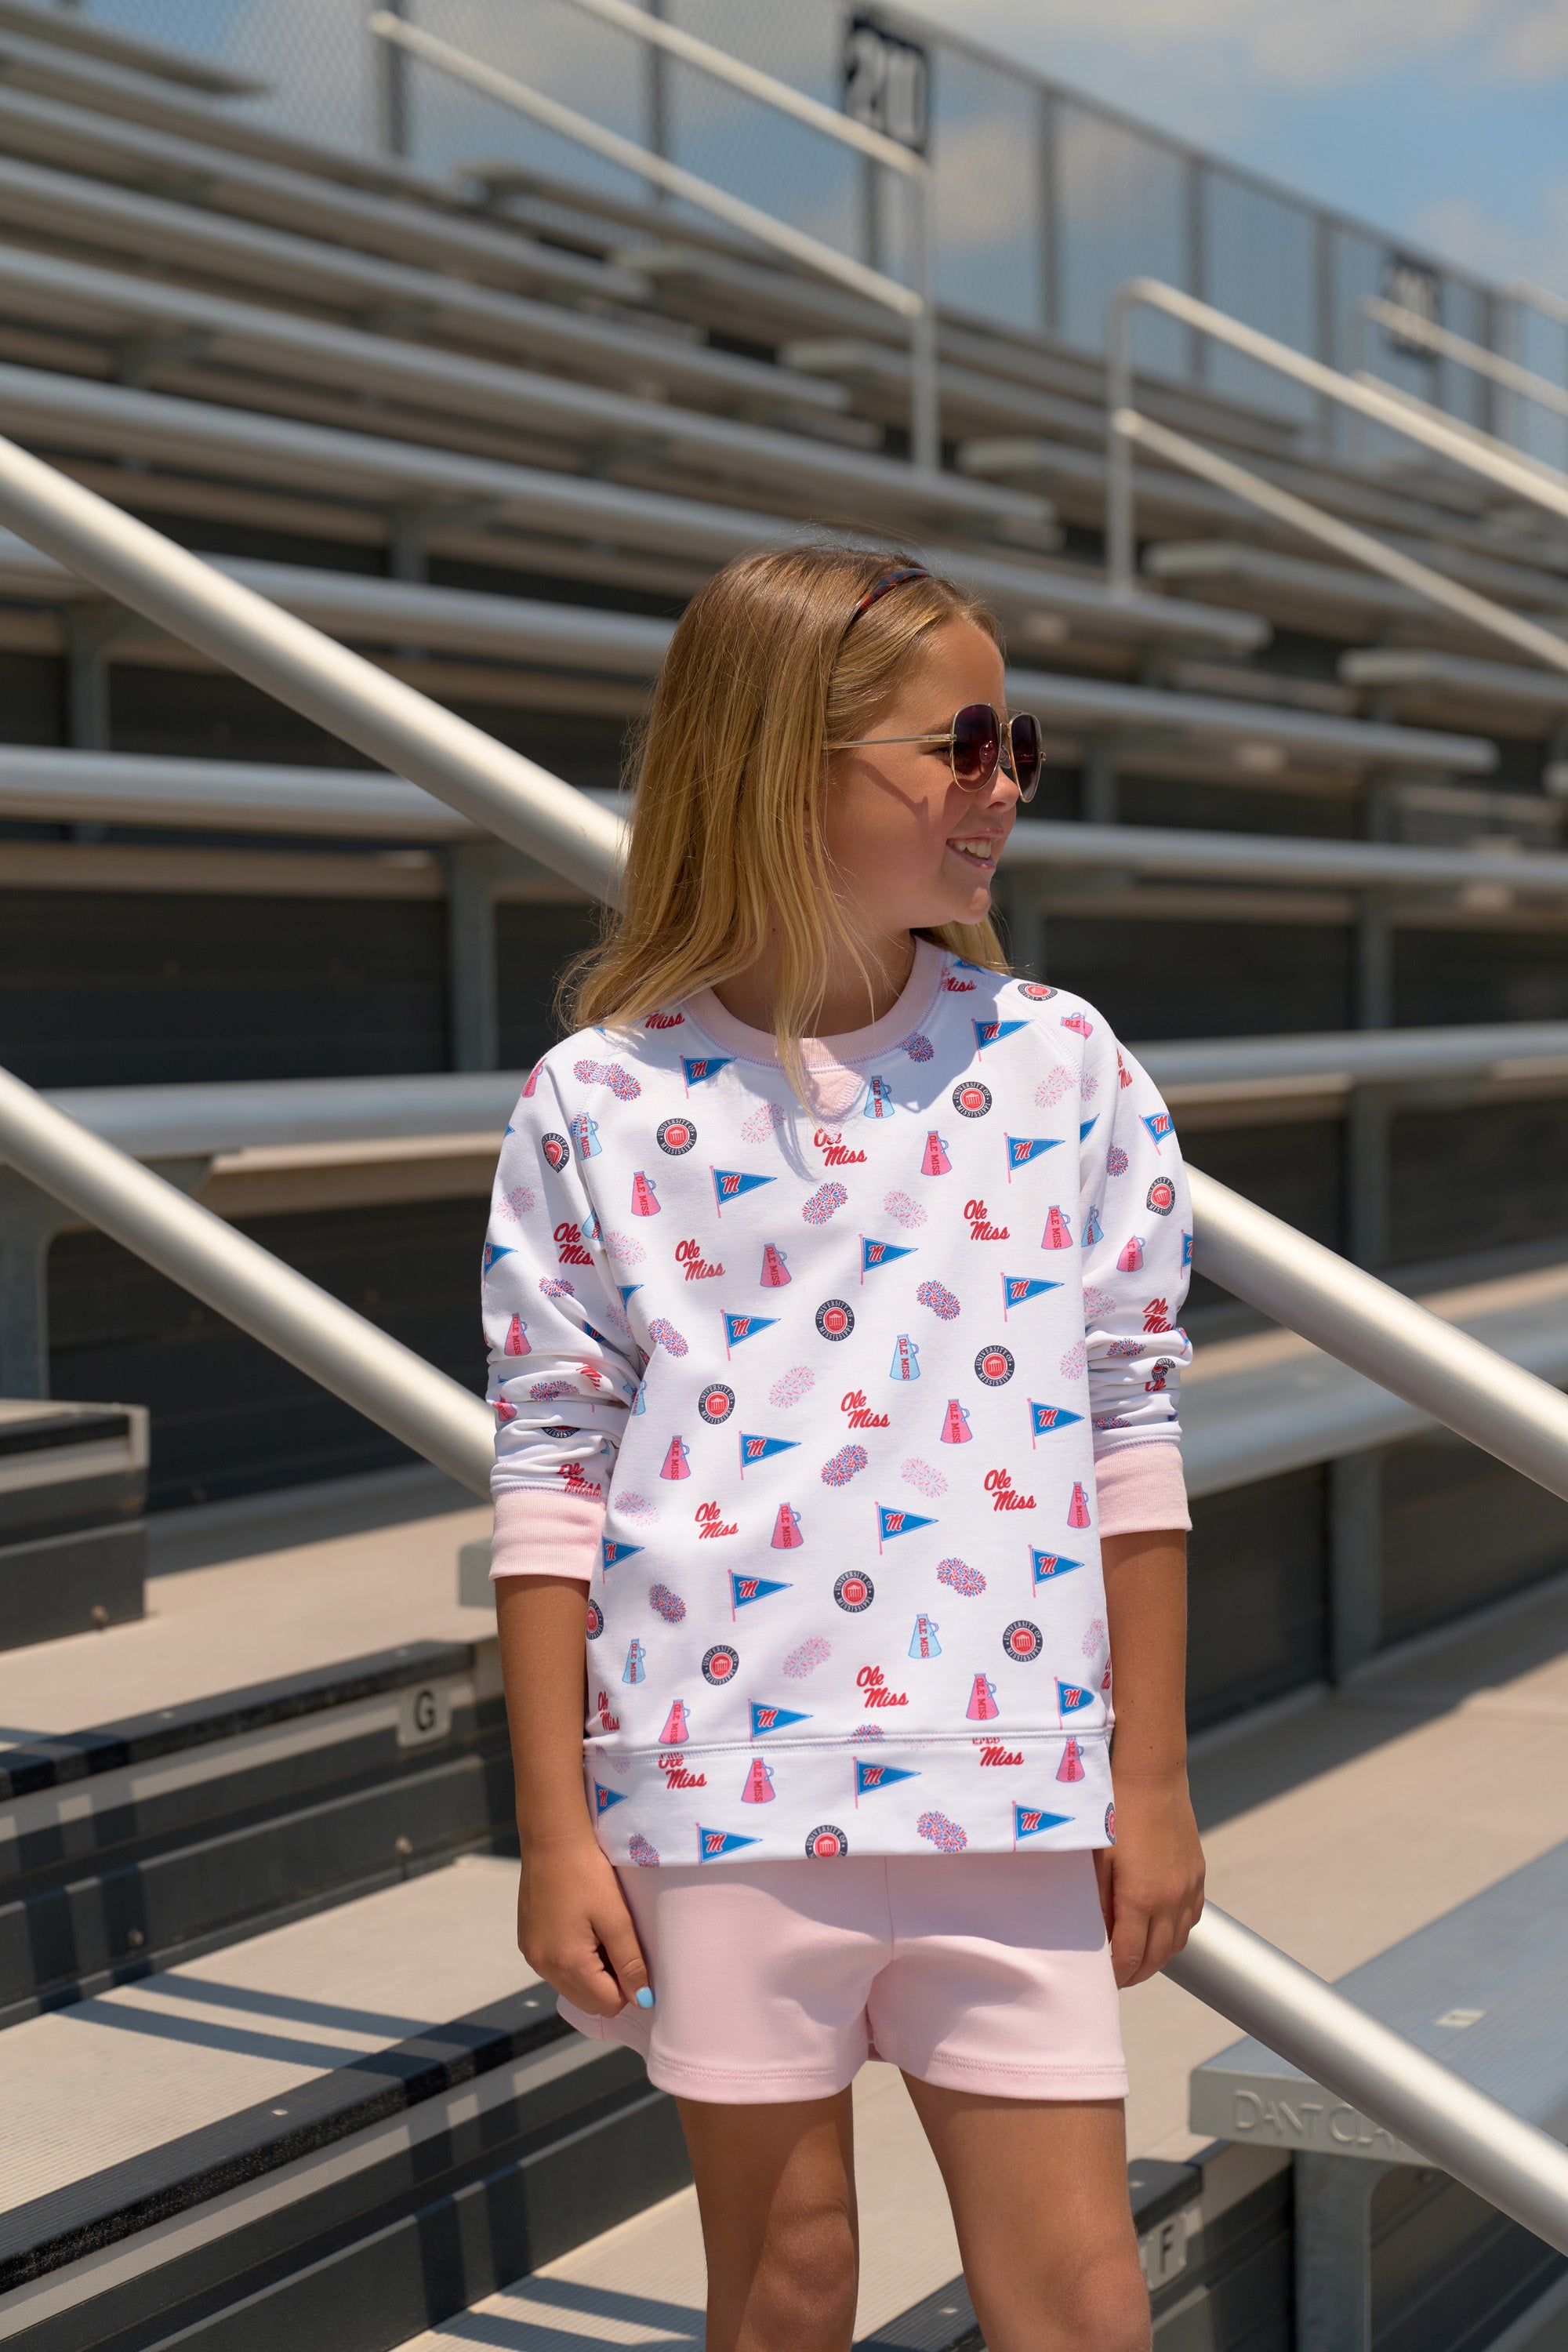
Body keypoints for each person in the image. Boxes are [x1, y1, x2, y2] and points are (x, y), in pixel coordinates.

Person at [481, 545, 1203, 2352]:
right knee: (785, 2283)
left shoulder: (1061, 1065)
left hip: (1008, 1778)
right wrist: (555, 1831)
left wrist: (1151, 1781)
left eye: (1017, 745)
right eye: (961, 744)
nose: (1002, 786)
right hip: (713, 1786)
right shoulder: (596, 1100)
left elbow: (1130, 1423)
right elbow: (550, 1473)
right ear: (775, 765)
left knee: (1082, 2299)